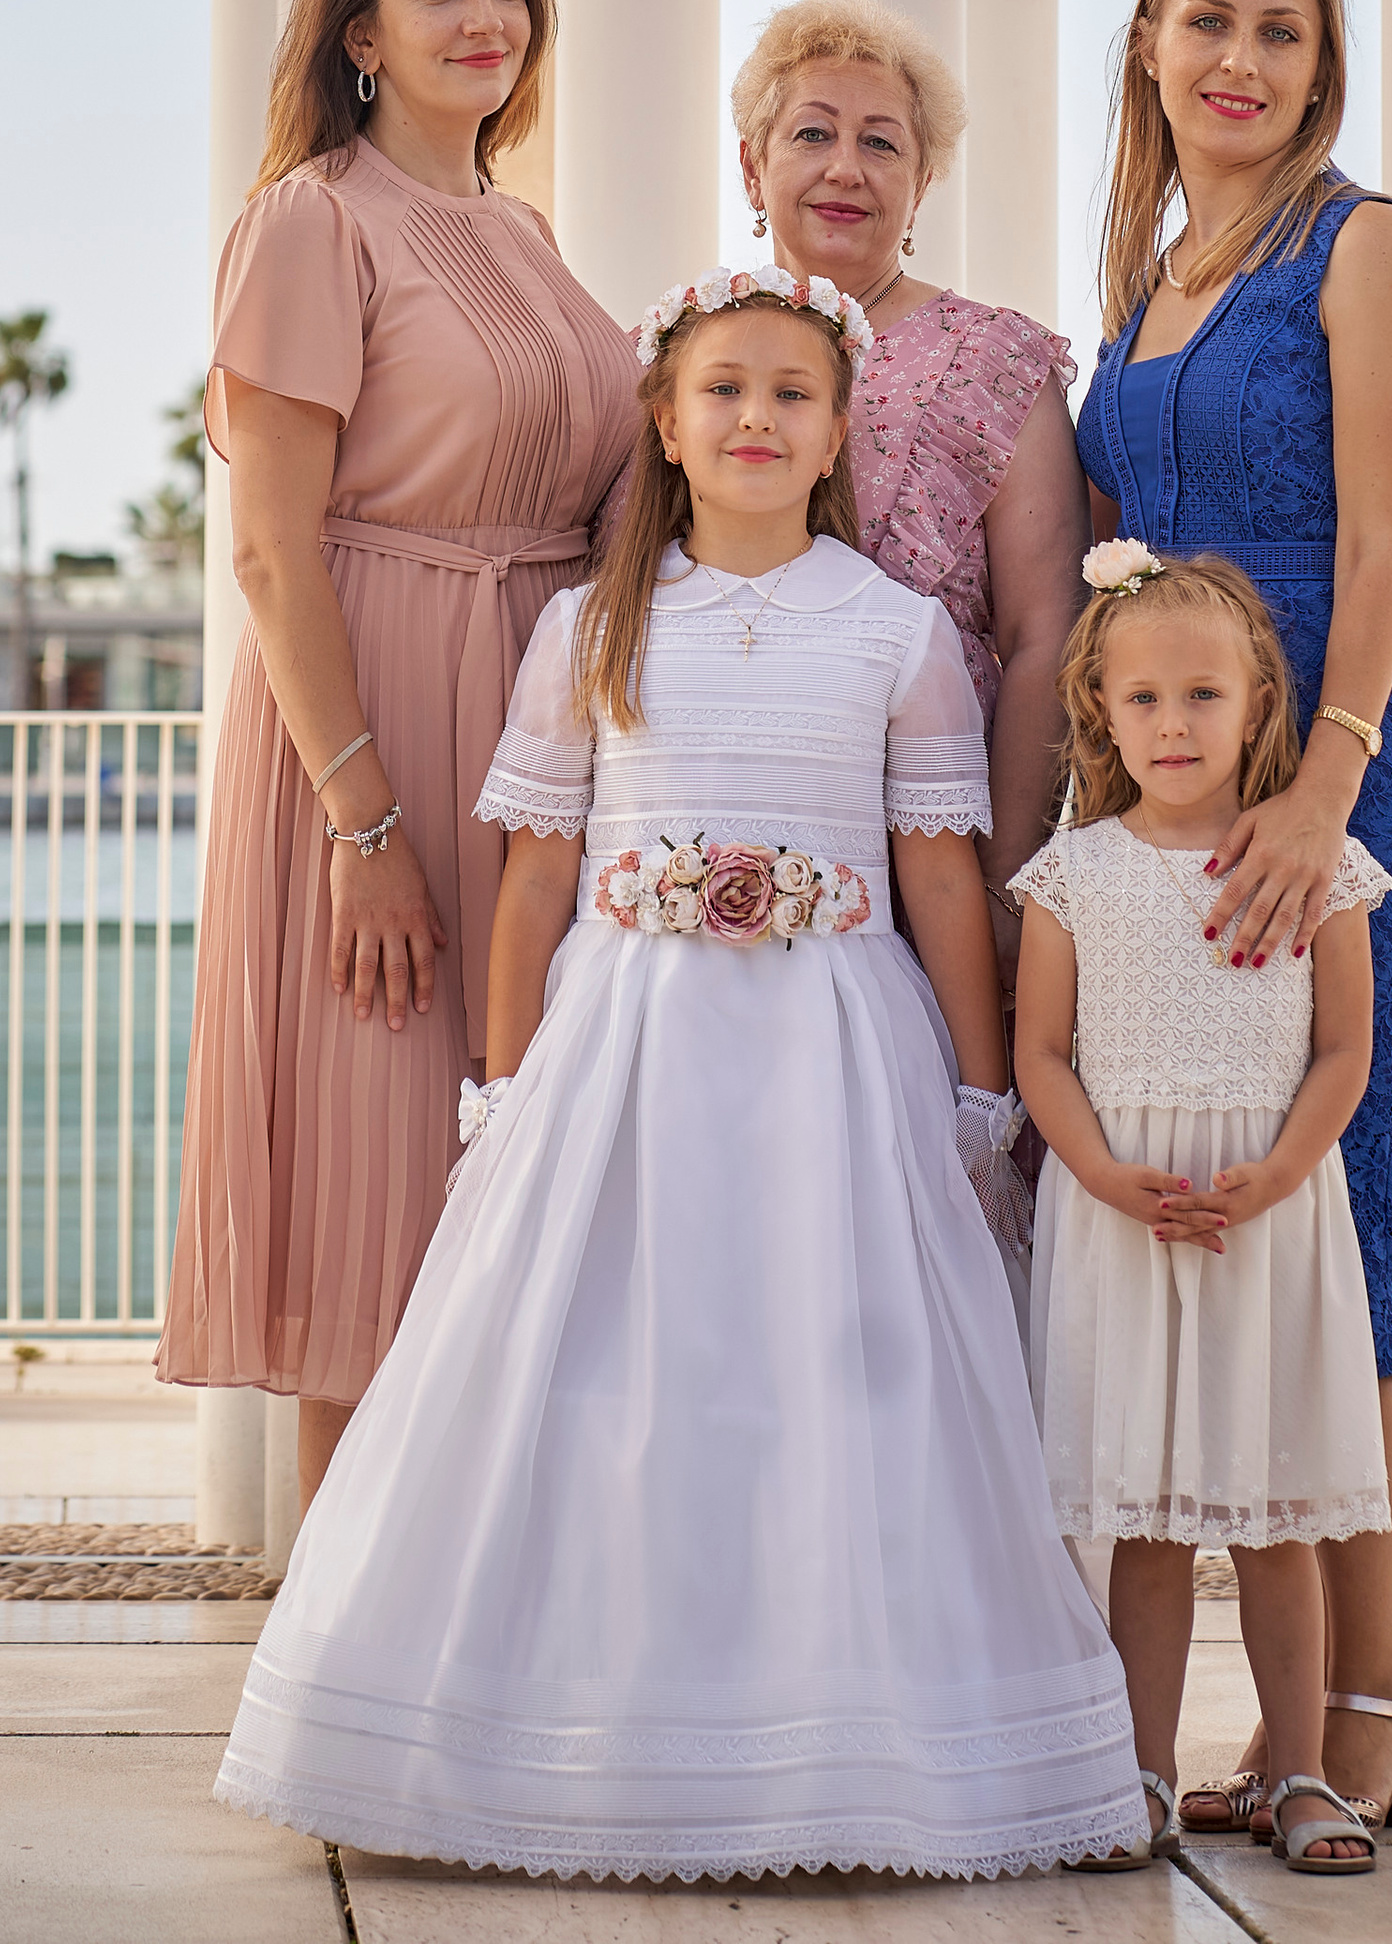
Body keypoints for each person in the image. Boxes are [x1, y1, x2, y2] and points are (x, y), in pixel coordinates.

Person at [213, 263, 1151, 1883]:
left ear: (842, 427)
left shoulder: (901, 634)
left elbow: (940, 876)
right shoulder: (591, 625)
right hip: (625, 1048)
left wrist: (980, 1097)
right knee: (613, 1371)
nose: (756, 418)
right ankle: (578, 1738)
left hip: (835, 1054)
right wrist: (501, 1089)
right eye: (722, 389)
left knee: (831, 1371)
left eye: (793, 393)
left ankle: (842, 1749)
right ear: (663, 419)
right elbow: (531, 875)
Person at [157, 0, 639, 1514]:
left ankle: (483, 1652)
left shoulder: (520, 227)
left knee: (516, 1180)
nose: (483, 17)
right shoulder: (313, 220)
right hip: (374, 734)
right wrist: (361, 822)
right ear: (361, 29)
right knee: (386, 1188)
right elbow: (277, 554)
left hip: (537, 731)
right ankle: (339, 1671)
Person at [1077, 0, 1392, 1836]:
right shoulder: (1145, 278)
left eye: (1282, 32)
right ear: (1148, 43)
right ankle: (1254, 1720)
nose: (1241, 58)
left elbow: (1384, 545)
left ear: (1321, 68)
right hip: (1158, 814)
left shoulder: (1362, 245)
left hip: (1326, 787)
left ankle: (1372, 1706)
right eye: (1208, 21)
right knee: (1191, 1242)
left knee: (1334, 1234)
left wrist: (1324, 791)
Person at [1012, 544, 1392, 1878]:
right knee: (1150, 1531)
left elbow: (1346, 1050)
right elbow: (1041, 1059)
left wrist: (1288, 1167)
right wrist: (1104, 1174)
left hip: (1266, 1223)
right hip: (1129, 1223)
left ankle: (1298, 1772)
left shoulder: (1320, 867)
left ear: (1259, 707)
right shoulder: (1073, 876)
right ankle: (1140, 1775)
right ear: (1100, 711)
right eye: (1144, 701)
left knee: (1279, 1520)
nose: (1173, 726)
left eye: (1203, 697)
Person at [732, 0, 1086, 938]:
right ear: (751, 164)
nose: (845, 167)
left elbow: (1046, 633)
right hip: (717, 836)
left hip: (935, 855)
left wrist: (1004, 887)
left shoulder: (997, 360)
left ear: (922, 182)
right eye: (812, 133)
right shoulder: (687, 358)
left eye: (883, 143)